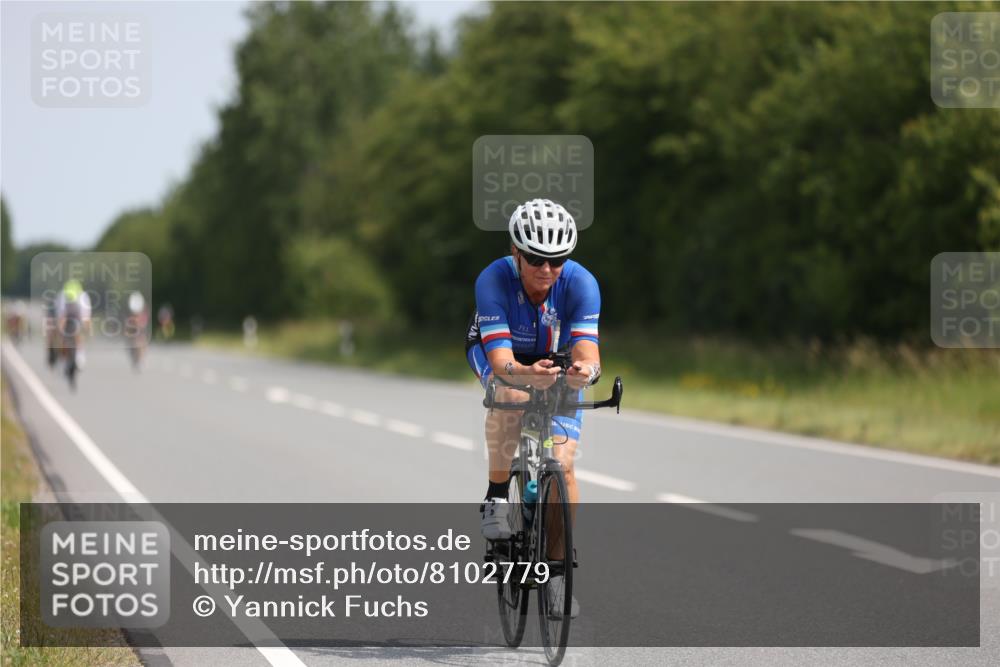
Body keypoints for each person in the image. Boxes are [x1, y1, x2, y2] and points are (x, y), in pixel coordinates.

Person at [465, 198, 601, 618]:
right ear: (515, 252)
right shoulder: (493, 280)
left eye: (557, 260)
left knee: (564, 463)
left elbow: (589, 352)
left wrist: (585, 373)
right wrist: (525, 375)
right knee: (511, 395)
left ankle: (557, 572)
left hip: (554, 361)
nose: (546, 270)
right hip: (501, 355)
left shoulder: (581, 283)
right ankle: (495, 499)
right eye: (536, 259)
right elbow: (503, 364)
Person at [55, 279, 92, 387]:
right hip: (66, 317)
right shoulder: (61, 298)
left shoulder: (83, 299)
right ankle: (63, 360)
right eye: (69, 301)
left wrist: (87, 330)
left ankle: (79, 355)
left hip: (78, 317)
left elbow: (86, 319)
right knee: (61, 337)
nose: (70, 303)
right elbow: (61, 318)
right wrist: (60, 332)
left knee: (79, 335)